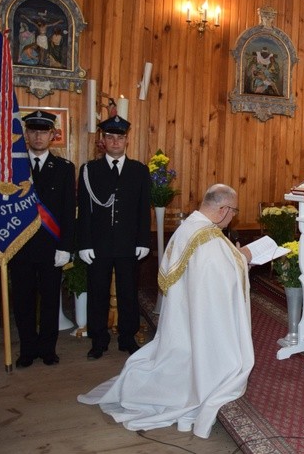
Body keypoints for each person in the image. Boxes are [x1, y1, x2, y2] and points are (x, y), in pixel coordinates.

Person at [77, 184, 254, 439]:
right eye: (233, 211)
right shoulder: (208, 238)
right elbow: (223, 277)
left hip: (183, 317)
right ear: (223, 209)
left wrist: (231, 255)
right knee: (224, 365)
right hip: (199, 322)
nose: (233, 217)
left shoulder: (190, 226)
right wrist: (243, 256)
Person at [77, 116, 150, 360]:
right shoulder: (89, 170)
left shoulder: (139, 170)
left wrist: (143, 241)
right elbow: (84, 210)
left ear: (127, 140)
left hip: (129, 243)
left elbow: (143, 209)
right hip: (98, 245)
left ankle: (127, 337)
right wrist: (84, 243)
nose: (115, 141)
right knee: (97, 292)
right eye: (110, 137)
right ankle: (98, 339)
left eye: (120, 137)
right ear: (103, 140)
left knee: (129, 292)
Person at [9, 111, 76, 368]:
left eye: (43, 131)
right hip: (20, 246)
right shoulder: (13, 168)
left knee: (50, 299)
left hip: (51, 247)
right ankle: (27, 348)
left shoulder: (64, 169)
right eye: (33, 131)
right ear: (26, 135)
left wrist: (65, 247)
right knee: (23, 300)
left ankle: (48, 348)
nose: (38, 136)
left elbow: (69, 211)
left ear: (52, 135)